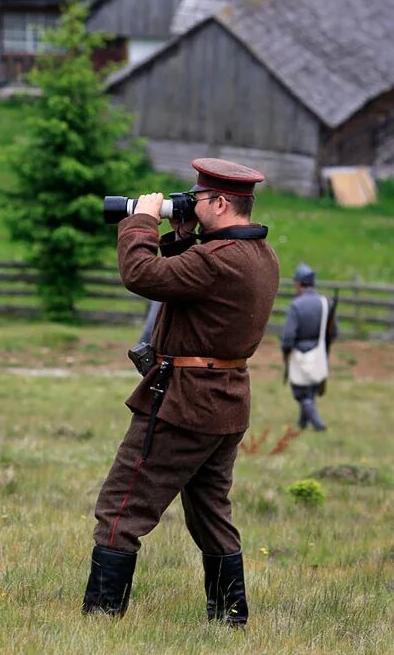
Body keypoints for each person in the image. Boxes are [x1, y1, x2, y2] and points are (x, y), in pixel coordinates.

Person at [81, 158, 279, 626]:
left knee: (121, 508)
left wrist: (141, 222)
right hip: (224, 403)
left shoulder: (218, 260)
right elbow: (186, 281)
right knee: (211, 515)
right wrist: (186, 231)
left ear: (220, 202)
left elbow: (143, 276)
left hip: (184, 404)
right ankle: (230, 618)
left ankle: (100, 621)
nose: (191, 200)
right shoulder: (256, 256)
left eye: (199, 197)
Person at [280, 263, 336, 432]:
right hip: (318, 351)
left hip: (299, 353)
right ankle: (302, 423)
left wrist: (286, 350)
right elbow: (333, 331)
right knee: (309, 391)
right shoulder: (325, 302)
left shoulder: (296, 305)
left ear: (299, 283)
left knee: (301, 393)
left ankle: (318, 425)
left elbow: (289, 335)